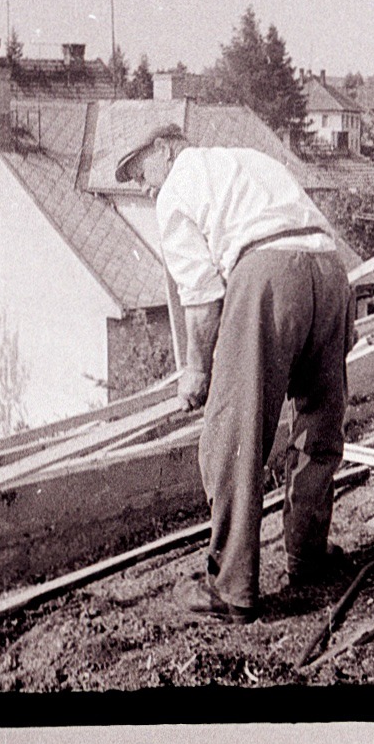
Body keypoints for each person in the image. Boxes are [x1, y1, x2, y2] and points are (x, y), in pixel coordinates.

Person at [114, 126, 356, 619]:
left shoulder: (178, 185)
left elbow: (202, 299)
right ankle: (308, 556)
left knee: (233, 438)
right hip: (331, 273)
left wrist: (197, 373)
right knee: (320, 425)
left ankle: (232, 588)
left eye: (141, 173)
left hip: (268, 277)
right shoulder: (248, 156)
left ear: (163, 150)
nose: (144, 188)